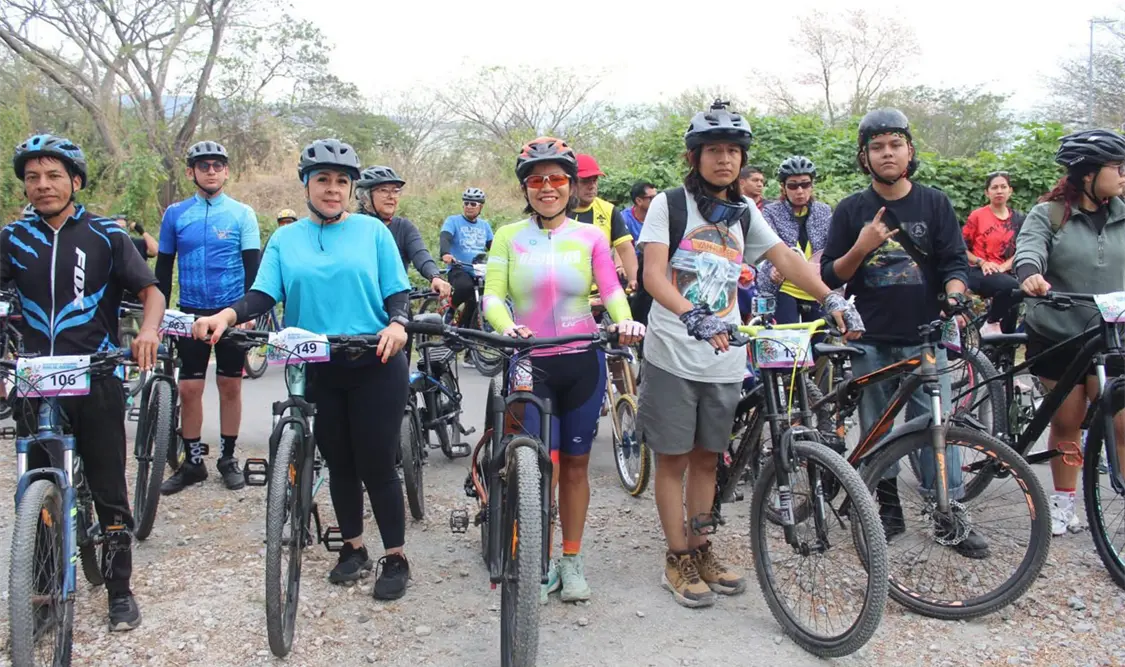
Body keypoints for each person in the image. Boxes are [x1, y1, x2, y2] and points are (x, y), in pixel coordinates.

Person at [636, 101, 862, 609]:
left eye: (733, 152)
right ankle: (677, 556)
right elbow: (651, 276)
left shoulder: (745, 211)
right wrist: (692, 314)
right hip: (673, 351)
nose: (724, 160)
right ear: (694, 157)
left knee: (708, 459)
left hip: (724, 357)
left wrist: (829, 297)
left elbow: (784, 258)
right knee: (672, 459)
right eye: (713, 150)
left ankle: (701, 546)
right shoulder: (670, 205)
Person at [192, 139, 415, 599]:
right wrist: (225, 316)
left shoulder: (373, 233)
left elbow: (398, 293)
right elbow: (261, 295)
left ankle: (395, 556)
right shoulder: (285, 239)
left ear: (352, 188)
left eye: (341, 182)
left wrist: (398, 324)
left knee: (376, 462)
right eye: (322, 181)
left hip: (376, 359)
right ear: (306, 185)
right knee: (339, 462)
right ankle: (352, 547)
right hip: (319, 363)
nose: (332, 189)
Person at [4, 133, 165, 631]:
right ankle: (46, 593)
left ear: (75, 181)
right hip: (34, 379)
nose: (42, 185)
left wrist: (148, 332)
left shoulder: (106, 236)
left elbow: (151, 291)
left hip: (95, 375)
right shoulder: (12, 239)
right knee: (37, 486)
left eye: (53, 176)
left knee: (108, 484)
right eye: (32, 177)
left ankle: (119, 590)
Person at [482, 136, 645, 604]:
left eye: (556, 178)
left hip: (581, 360)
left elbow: (611, 289)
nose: (547, 187)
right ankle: (535, 553)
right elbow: (493, 293)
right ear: (526, 187)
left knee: (574, 467)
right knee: (535, 463)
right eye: (537, 179)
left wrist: (623, 319)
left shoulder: (591, 236)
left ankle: (570, 560)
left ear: (571, 186)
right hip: (530, 359)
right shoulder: (508, 236)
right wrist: (506, 325)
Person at [820, 108, 989, 557]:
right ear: (865, 156)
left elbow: (955, 261)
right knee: (878, 429)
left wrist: (955, 292)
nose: (887, 153)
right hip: (871, 340)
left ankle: (947, 514)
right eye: (877, 147)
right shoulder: (852, 209)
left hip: (927, 337)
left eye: (895, 145)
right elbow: (831, 274)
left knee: (939, 425)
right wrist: (863, 245)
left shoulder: (934, 203)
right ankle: (886, 506)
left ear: (909, 150)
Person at [1013, 129, 1125, 536]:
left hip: (1111, 334)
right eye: (1117, 168)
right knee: (1068, 419)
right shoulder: (1051, 214)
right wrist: (1031, 276)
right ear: (1088, 175)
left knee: (1121, 420)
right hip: (1058, 330)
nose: (1124, 174)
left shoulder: (1123, 214)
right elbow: (1029, 251)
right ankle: (1063, 503)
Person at [156, 140, 261, 494]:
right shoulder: (175, 215)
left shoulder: (242, 213)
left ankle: (228, 458)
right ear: (191, 172)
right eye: (204, 166)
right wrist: (159, 312)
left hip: (230, 312)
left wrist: (248, 312)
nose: (212, 171)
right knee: (189, 388)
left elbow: (253, 269)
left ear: (227, 171)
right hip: (189, 312)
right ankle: (193, 461)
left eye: (218, 165)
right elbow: (163, 268)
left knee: (230, 385)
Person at [756, 156, 833, 326]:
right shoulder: (771, 212)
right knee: (787, 340)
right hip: (783, 286)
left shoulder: (824, 211)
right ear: (783, 188)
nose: (800, 191)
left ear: (812, 185)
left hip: (814, 285)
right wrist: (774, 269)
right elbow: (768, 245)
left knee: (819, 341)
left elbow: (832, 247)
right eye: (792, 185)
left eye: (805, 184)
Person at [356, 166, 451, 301]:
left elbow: (420, 254)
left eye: (395, 191)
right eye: (384, 190)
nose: (391, 197)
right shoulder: (351, 226)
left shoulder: (404, 227)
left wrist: (434, 276)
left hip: (396, 304)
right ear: (365, 196)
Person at [963, 172, 1025, 335]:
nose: (999, 191)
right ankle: (990, 323)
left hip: (1005, 272)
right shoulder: (977, 216)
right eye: (994, 187)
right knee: (1011, 287)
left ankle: (1004, 355)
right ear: (987, 192)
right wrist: (982, 262)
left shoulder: (1018, 219)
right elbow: (961, 248)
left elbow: (1023, 249)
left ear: (1010, 191)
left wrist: (1003, 266)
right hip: (977, 271)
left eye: (1003, 187)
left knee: (1016, 296)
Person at [573, 154, 639, 290]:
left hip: (603, 291)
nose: (591, 186)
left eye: (594, 180)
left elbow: (625, 248)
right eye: (585, 181)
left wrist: (634, 279)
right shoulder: (557, 212)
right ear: (570, 182)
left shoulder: (608, 210)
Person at [440, 186, 493, 327]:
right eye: (466, 203)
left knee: (479, 298)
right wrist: (446, 253)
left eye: (473, 204)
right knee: (466, 287)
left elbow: (493, 247)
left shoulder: (485, 226)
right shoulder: (453, 221)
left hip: (478, 270)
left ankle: (465, 328)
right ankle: (451, 309)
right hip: (459, 268)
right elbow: (445, 237)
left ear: (480, 207)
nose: (469, 206)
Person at [621, 181, 657, 248]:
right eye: (652, 198)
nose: (656, 201)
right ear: (639, 201)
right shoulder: (624, 219)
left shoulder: (659, 217)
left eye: (657, 197)